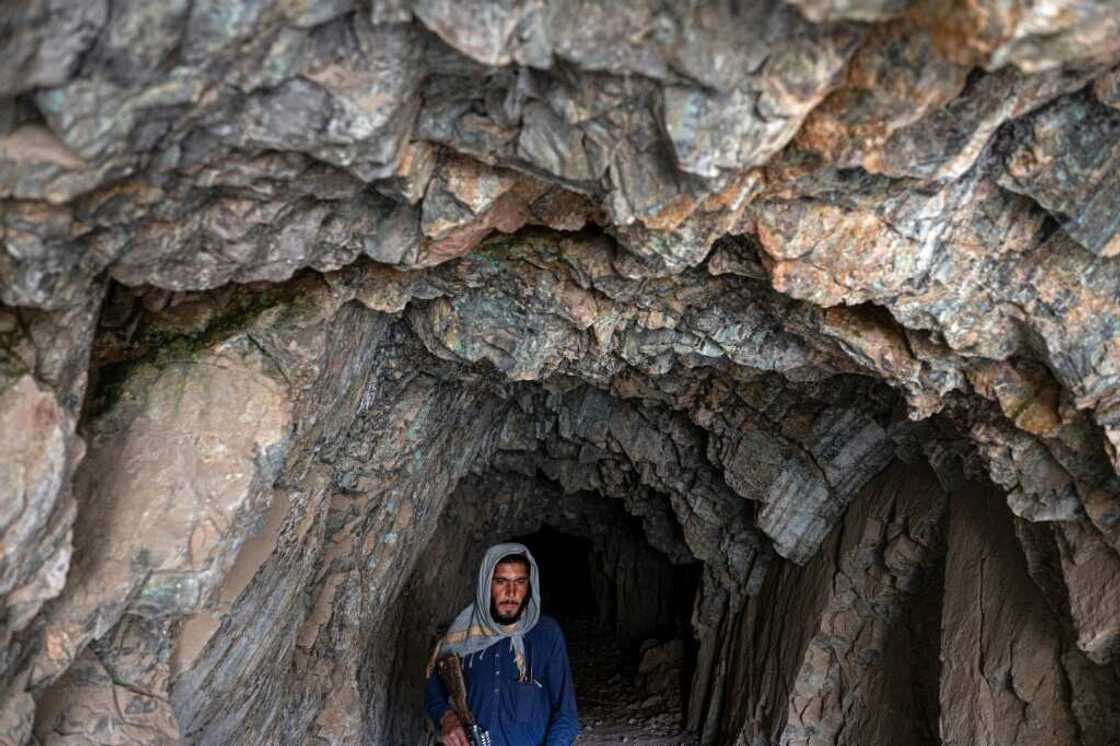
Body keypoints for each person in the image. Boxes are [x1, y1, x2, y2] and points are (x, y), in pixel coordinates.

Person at [424, 542, 579, 746]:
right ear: (486, 584)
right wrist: (447, 718)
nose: (511, 592)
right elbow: (433, 692)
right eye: (501, 581)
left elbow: (566, 715)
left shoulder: (546, 635)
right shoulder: (461, 634)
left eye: (520, 582)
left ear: (530, 586)